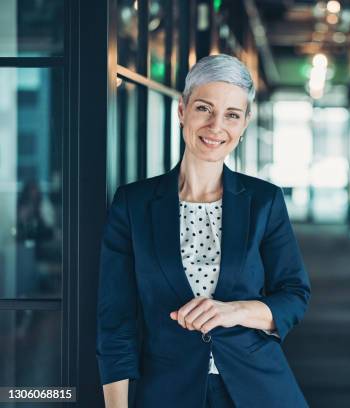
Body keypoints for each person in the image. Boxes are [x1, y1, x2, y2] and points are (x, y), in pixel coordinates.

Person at [97, 54, 311, 408]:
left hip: (259, 388)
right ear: (182, 110)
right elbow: (115, 324)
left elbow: (294, 295)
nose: (216, 126)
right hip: (168, 392)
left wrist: (234, 311)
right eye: (204, 108)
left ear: (244, 124)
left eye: (231, 115)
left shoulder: (265, 201)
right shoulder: (132, 205)